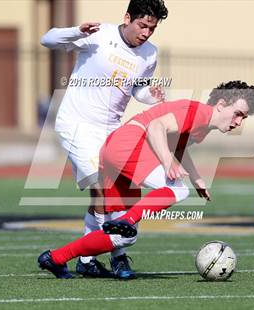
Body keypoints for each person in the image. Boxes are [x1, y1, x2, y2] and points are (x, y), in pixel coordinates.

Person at [37, 80, 254, 278]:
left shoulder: (202, 123)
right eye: (238, 113)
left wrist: (196, 178)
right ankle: (127, 221)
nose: (239, 122)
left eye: (244, 117)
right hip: (129, 144)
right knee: (177, 191)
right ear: (221, 104)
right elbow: (156, 127)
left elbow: (178, 146)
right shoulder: (201, 113)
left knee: (123, 238)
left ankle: (55, 258)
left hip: (116, 149)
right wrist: (167, 162)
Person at [40, 0, 168, 279]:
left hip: (112, 131)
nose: (146, 33)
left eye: (152, 28)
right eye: (142, 25)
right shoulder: (99, 34)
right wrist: (76, 30)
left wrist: (151, 96)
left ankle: (86, 260)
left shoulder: (149, 54)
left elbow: (138, 90)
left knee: (117, 194)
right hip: (76, 124)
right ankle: (118, 256)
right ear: (127, 18)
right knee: (102, 189)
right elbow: (47, 39)